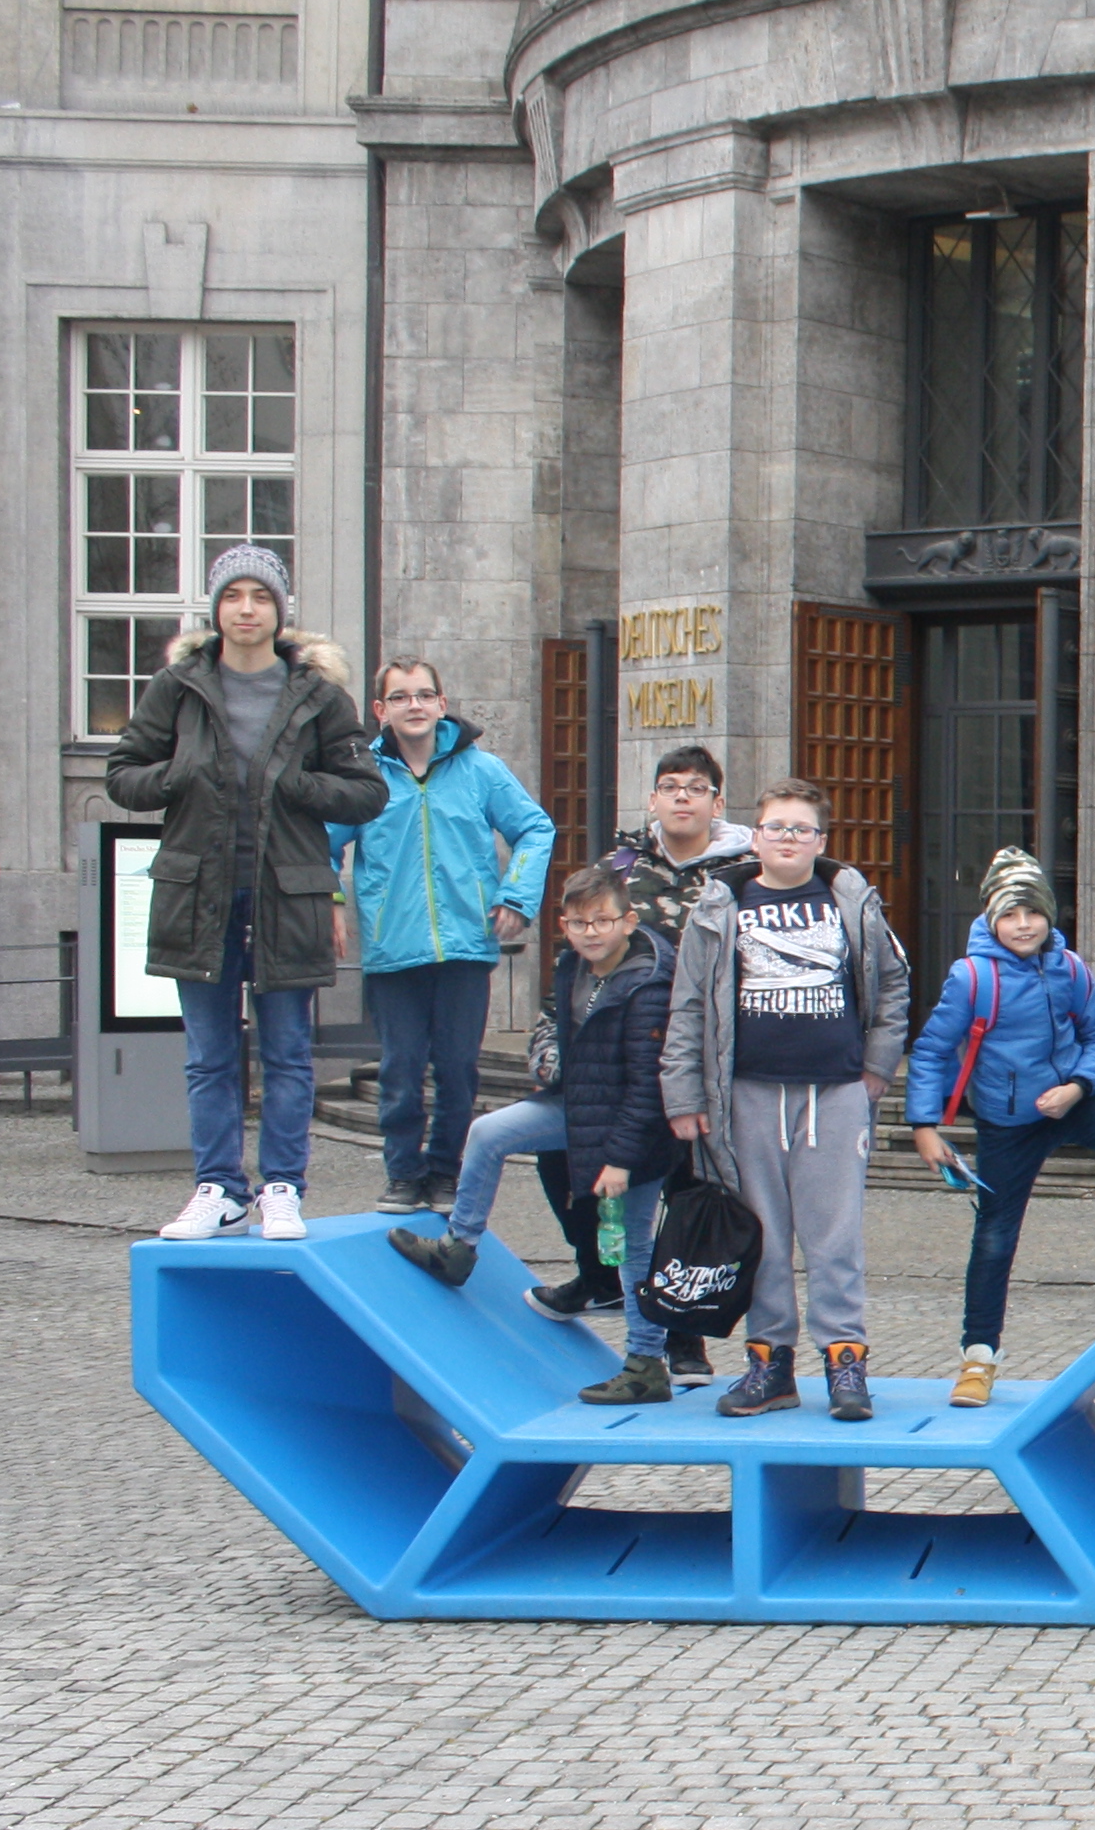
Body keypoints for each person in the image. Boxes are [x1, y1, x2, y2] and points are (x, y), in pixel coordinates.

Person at [109, 545, 389, 1241]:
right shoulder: (177, 687)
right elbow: (124, 772)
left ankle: (283, 1188)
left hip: (285, 896)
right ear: (215, 609)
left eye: (259, 597)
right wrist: (175, 776)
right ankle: (218, 1188)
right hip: (196, 894)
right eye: (233, 595)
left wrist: (297, 786)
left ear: (279, 610)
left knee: (288, 1052)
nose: (246, 609)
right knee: (208, 1054)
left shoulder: (318, 695)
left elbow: (366, 791)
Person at [661, 777, 911, 1425]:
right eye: (777, 827)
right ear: (756, 835)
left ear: (821, 840)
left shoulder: (850, 900)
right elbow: (687, 1006)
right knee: (763, 1236)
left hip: (833, 1092)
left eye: (802, 829)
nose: (789, 838)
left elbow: (892, 989)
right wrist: (684, 1093)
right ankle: (769, 1363)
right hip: (745, 1094)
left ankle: (845, 1361)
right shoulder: (720, 907)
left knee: (834, 1236)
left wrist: (876, 1072)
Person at [385, 864, 681, 1405]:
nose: (591, 932)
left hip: (638, 1128)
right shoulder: (571, 967)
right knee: (489, 1132)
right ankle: (460, 1247)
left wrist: (619, 1159)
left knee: (636, 1247)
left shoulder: (650, 983)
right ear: (563, 926)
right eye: (578, 922)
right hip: (578, 1104)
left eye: (602, 921)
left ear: (628, 920)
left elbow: (649, 1086)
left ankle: (646, 1363)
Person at [907, 851, 1095, 1411]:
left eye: (1034, 911)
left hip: (1070, 1098)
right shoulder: (972, 977)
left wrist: (1079, 1087)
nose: (1024, 924)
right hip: (1007, 1123)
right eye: (1011, 914)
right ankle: (979, 1358)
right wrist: (924, 1125)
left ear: (1050, 916)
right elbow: (932, 1050)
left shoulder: (1071, 968)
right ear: (991, 918)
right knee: (994, 1241)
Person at [339, 657, 555, 1213]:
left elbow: (534, 828)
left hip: (464, 945)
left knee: (458, 1070)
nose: (415, 705)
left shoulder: (481, 770)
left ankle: (444, 1171)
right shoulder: (364, 777)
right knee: (400, 1070)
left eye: (425, 694)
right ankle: (403, 1173)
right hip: (394, 949)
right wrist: (331, 900)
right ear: (381, 710)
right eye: (402, 696)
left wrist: (516, 896)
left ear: (441, 703)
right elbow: (319, 839)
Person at [569, 746, 755, 1373]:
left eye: (696, 788)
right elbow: (577, 953)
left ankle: (682, 1330)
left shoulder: (748, 871)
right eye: (670, 786)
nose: (682, 797)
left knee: (691, 1187)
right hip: (627, 1053)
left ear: (717, 802)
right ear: (651, 799)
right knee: (573, 1161)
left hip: (712, 1050)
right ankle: (596, 1272)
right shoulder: (619, 868)